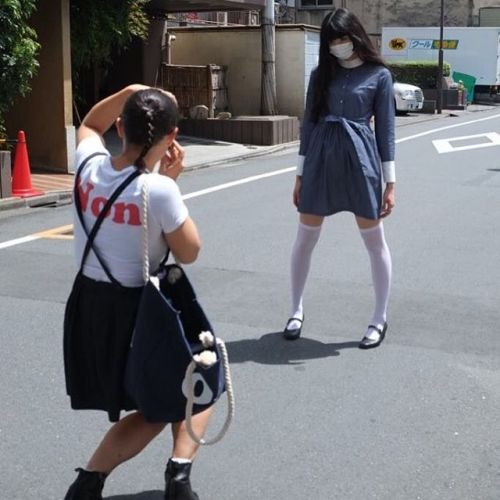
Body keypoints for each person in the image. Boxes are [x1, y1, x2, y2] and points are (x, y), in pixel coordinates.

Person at [63, 84, 211, 500]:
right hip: (138, 314)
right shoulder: (160, 190)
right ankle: (178, 478)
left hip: (89, 308)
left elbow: (89, 123)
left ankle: (87, 484)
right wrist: (170, 183)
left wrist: (128, 90)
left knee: (164, 398)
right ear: (171, 138)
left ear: (120, 127)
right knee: (199, 384)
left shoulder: (88, 167)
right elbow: (190, 251)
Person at [283, 8, 395, 349]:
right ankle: (295, 309)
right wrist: (299, 174)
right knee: (305, 237)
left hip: (362, 163)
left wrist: (390, 183)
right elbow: (308, 125)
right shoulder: (321, 74)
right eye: (331, 41)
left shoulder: (379, 75)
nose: (337, 46)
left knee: (374, 241)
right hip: (320, 159)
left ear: (355, 36)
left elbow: (386, 132)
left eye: (342, 39)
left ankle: (379, 317)